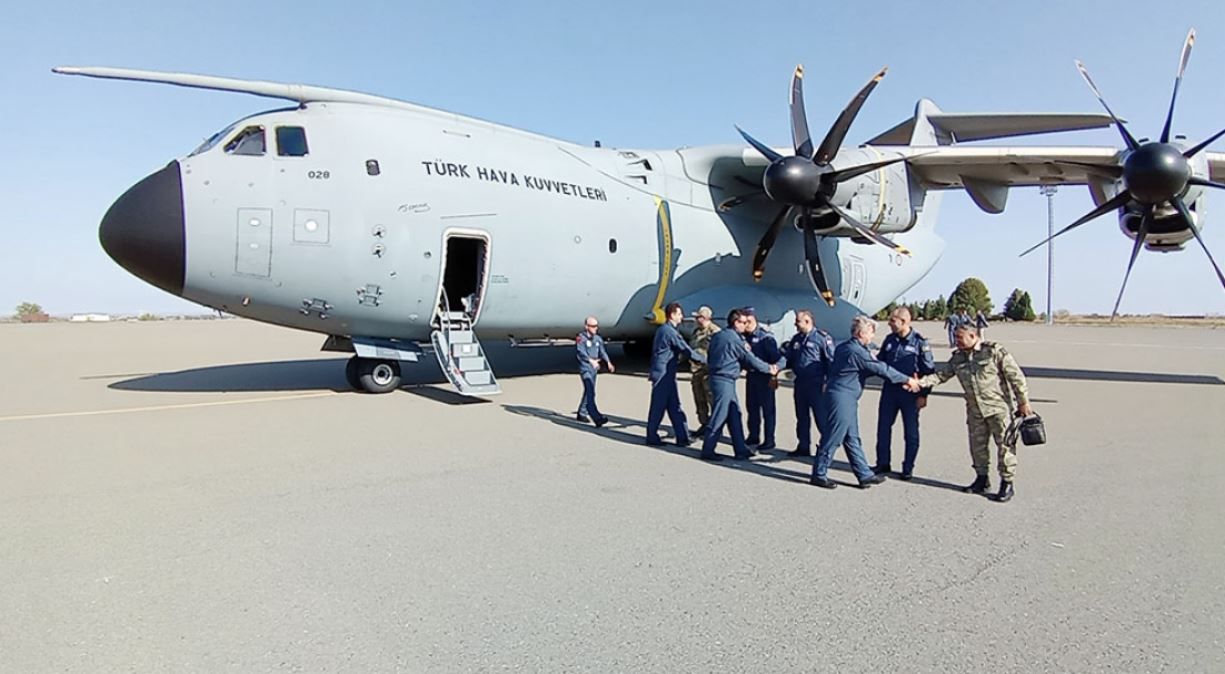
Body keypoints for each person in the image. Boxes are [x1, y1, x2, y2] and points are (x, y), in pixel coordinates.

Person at [917, 324, 1032, 503]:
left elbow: (1016, 377)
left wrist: (1023, 402)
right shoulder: (957, 358)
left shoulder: (993, 352)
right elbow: (941, 376)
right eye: (955, 338)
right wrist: (920, 383)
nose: (957, 341)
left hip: (998, 409)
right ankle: (981, 478)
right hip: (975, 410)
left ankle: (1006, 483)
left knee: (1005, 447)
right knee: (977, 447)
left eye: (960, 338)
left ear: (973, 335)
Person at [811, 316, 919, 490]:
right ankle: (819, 473)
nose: (872, 337)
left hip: (845, 396)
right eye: (870, 333)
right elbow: (880, 369)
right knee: (834, 436)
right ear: (861, 333)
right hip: (842, 397)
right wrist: (907, 379)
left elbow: (862, 370)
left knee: (852, 438)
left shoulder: (846, 347)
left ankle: (864, 474)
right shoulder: (857, 351)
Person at [699, 309, 778, 461]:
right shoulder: (735, 339)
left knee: (734, 413)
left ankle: (740, 448)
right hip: (724, 379)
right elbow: (749, 358)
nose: (745, 325)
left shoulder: (719, 335)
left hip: (720, 378)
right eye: (743, 323)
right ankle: (708, 449)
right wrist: (769, 368)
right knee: (719, 415)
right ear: (736, 323)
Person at [873, 307, 936, 480]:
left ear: (904, 322)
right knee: (883, 428)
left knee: (911, 432)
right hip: (890, 391)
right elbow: (880, 361)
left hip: (910, 394)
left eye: (892, 320)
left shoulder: (919, 342)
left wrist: (924, 395)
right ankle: (882, 463)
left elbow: (929, 371)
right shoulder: (890, 340)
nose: (889, 323)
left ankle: (908, 467)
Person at [646, 302, 705, 447]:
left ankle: (682, 437)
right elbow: (685, 349)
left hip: (667, 373)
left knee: (674, 406)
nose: (682, 317)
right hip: (663, 374)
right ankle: (652, 436)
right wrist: (704, 360)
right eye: (679, 314)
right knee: (658, 406)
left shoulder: (666, 330)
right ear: (672, 315)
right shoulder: (669, 331)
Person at [781, 309, 835, 458]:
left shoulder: (822, 338)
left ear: (807, 322)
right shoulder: (797, 339)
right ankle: (803, 446)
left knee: (821, 418)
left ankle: (826, 449)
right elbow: (788, 358)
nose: (795, 324)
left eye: (798, 321)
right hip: (801, 383)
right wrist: (775, 367)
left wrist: (828, 382)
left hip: (817, 384)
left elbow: (831, 362)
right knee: (801, 417)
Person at [742, 308, 781, 450]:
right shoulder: (745, 337)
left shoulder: (765, 338)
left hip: (764, 378)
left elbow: (775, 359)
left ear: (752, 320)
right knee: (751, 408)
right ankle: (753, 436)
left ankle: (769, 439)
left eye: (747, 322)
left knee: (768, 411)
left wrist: (774, 377)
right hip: (751, 377)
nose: (744, 325)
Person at [687, 306, 721, 437]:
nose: (696, 319)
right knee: (699, 399)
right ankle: (704, 424)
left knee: (711, 398)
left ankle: (715, 426)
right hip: (696, 371)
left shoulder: (715, 331)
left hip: (708, 371)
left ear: (706, 318)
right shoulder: (696, 331)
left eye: (699, 317)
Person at [575, 315, 613, 427]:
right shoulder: (581, 338)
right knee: (591, 392)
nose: (595, 328)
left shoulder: (597, 338)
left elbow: (602, 352)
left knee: (589, 391)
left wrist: (608, 362)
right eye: (593, 326)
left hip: (594, 369)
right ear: (586, 326)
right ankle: (597, 418)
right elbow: (580, 352)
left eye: (596, 326)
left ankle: (581, 413)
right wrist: (590, 360)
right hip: (585, 369)